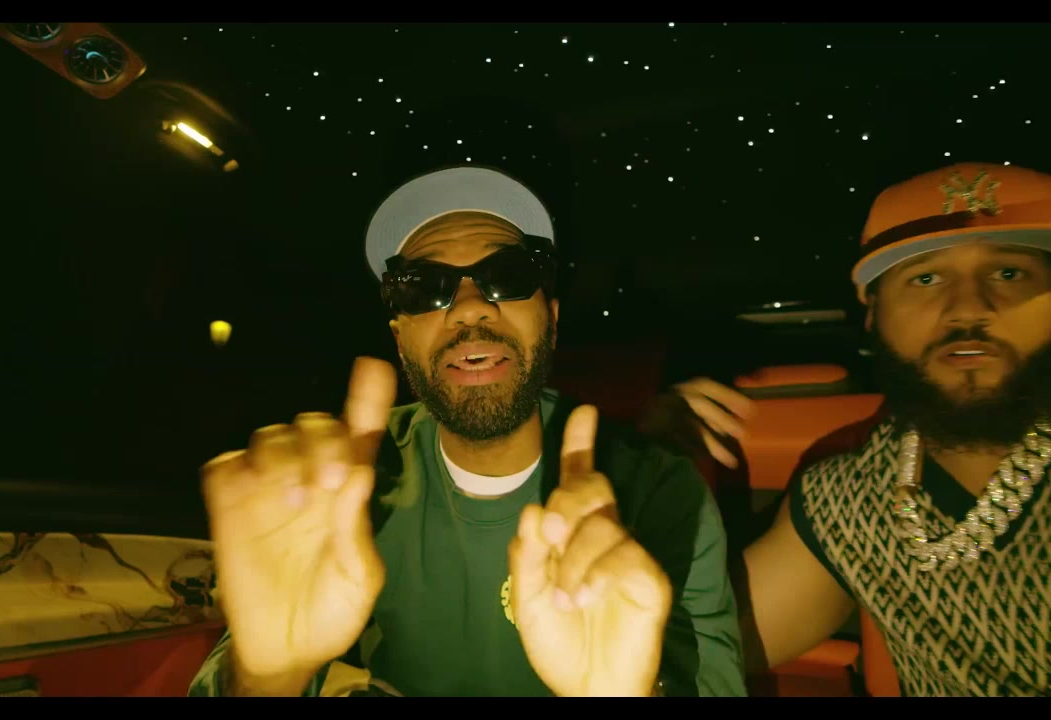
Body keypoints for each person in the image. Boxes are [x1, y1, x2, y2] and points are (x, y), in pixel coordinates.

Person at [189, 166, 746, 697]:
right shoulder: (347, 479)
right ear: (400, 338)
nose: (470, 308)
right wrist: (269, 676)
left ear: (552, 320)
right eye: (424, 287)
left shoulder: (658, 490)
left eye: (508, 277)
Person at [670, 161, 1051, 696]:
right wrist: (645, 457)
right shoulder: (852, 497)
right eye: (926, 278)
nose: (968, 307)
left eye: (1009, 273)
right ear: (873, 314)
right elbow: (692, 648)